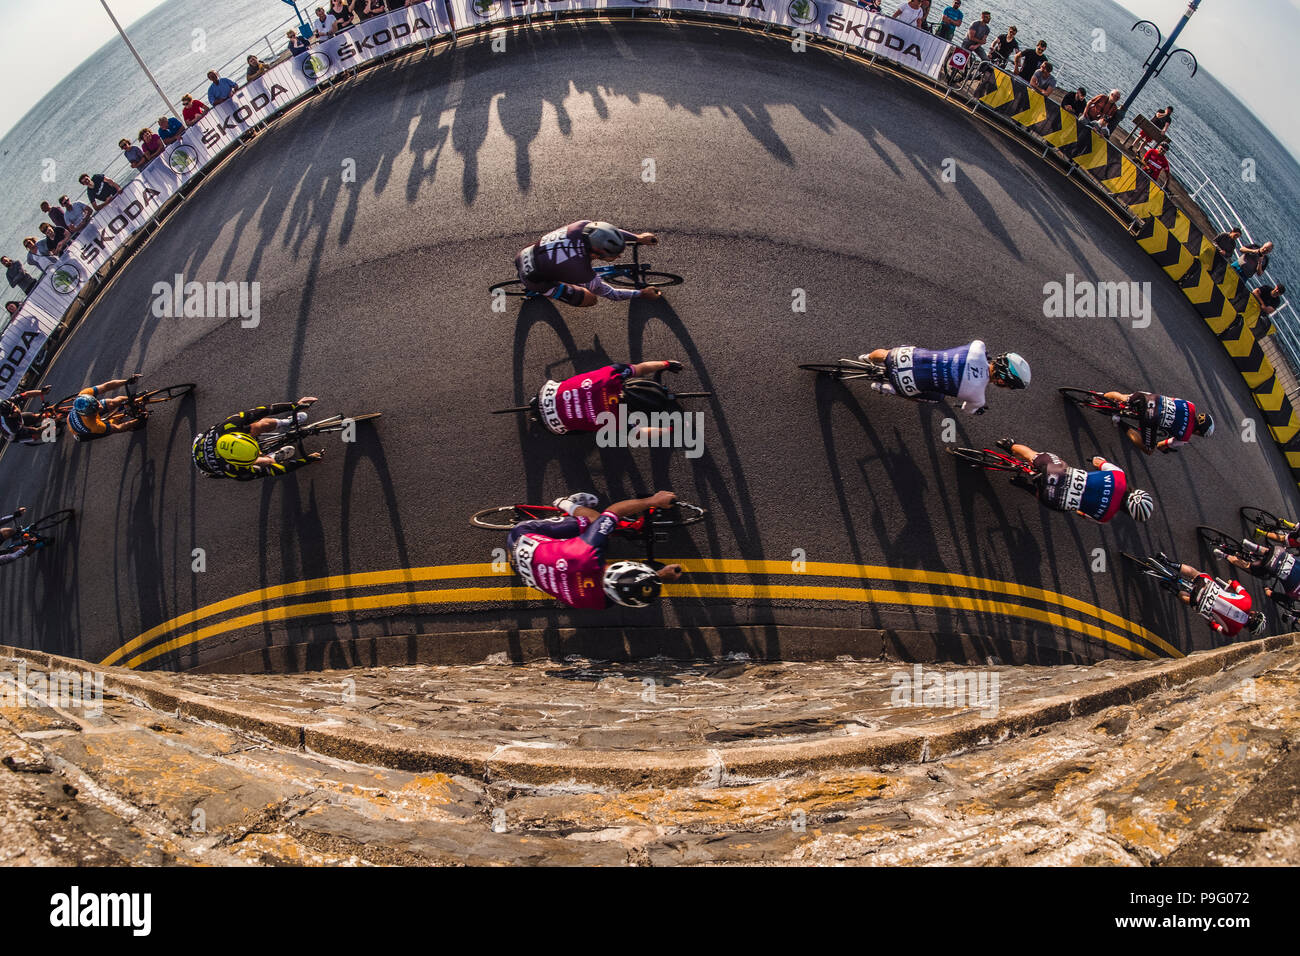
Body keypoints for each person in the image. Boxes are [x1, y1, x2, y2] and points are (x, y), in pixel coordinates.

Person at [506, 490, 685, 609]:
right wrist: (660, 575)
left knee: (594, 519)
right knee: (594, 532)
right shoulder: (602, 600)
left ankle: (565, 503)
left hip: (521, 537)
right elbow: (628, 588)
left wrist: (653, 501)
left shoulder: (588, 552)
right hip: (525, 571)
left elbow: (614, 511)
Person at [996, 438, 1153, 523]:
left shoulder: (1119, 476)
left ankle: (1010, 445)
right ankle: (1025, 485)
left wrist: (1095, 460)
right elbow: (1081, 513)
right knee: (1061, 505)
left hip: (1057, 472)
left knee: (1032, 455)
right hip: (1054, 498)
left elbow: (1099, 462)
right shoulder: (1105, 518)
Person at [513, 220, 662, 307]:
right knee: (590, 298)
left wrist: (638, 238)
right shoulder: (582, 272)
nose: (619, 256)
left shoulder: (583, 226)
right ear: (594, 254)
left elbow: (606, 232)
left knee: (560, 268)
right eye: (614, 255)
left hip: (526, 253)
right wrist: (641, 294)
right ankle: (548, 291)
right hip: (534, 279)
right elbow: (611, 293)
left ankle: (555, 273)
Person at [856, 341, 1031, 414]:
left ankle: (867, 357)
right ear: (1002, 380)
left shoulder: (978, 346)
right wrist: (975, 408)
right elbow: (966, 409)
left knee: (892, 353)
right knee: (938, 398)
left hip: (905, 357)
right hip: (906, 384)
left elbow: (980, 347)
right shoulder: (978, 397)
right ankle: (889, 389)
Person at [528, 360, 683, 435]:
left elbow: (640, 368)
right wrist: (671, 428)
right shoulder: (615, 419)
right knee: (590, 431)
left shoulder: (610, 375)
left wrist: (666, 364)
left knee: (575, 383)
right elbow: (640, 432)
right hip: (553, 425)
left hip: (546, 393)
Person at [192, 397, 322, 480]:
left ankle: (285, 422)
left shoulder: (229, 425)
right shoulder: (234, 471)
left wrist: (294, 405)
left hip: (202, 441)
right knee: (268, 463)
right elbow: (276, 470)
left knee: (260, 425)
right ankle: (273, 456)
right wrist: (307, 460)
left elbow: (264, 410)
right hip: (206, 466)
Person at [1161, 553, 1264, 637]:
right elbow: (1214, 626)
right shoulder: (1232, 632)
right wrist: (1211, 623)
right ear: (1247, 628)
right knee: (1190, 601)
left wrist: (1231, 584)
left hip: (1208, 586)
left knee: (1195, 574)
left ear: (1254, 612)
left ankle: (1168, 562)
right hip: (1202, 604)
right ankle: (1173, 590)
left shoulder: (1247, 600)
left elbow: (1235, 584)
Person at [1103, 389, 1213, 454]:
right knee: (1149, 450)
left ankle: (1102, 396)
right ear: (1198, 432)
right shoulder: (1185, 438)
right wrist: (1164, 448)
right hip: (1151, 417)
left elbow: (1171, 399)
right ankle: (1119, 422)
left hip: (1151, 398)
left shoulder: (1190, 405)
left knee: (1124, 398)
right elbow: (1161, 445)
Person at [67, 375, 148, 442]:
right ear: (90, 415)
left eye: (97, 403)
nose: (100, 407)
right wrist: (138, 420)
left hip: (84, 415)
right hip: (82, 433)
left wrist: (126, 381)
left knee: (115, 401)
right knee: (114, 424)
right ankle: (133, 424)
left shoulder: (84, 394)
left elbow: (106, 386)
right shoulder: (93, 426)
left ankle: (132, 401)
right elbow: (118, 428)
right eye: (97, 409)